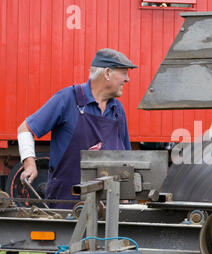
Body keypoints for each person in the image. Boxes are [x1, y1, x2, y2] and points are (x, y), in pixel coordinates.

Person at [17, 48, 136, 209]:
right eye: (124, 73)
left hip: (107, 209)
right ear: (107, 73)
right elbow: (25, 128)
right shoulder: (67, 99)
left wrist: (127, 192)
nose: (127, 79)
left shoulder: (117, 110)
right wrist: (30, 164)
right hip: (66, 206)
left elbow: (125, 156)